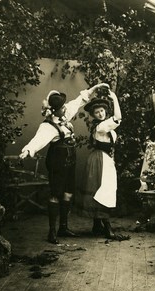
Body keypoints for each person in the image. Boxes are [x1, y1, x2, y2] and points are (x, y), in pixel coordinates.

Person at [19, 83, 109, 244]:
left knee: (68, 193)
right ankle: (52, 231)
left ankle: (63, 227)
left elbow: (78, 101)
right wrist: (27, 151)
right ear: (54, 110)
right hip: (57, 162)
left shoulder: (64, 114)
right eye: (61, 107)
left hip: (70, 161)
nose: (65, 109)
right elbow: (37, 141)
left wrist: (94, 88)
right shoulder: (47, 126)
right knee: (55, 194)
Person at [76, 87, 122, 239]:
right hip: (99, 160)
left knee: (102, 189)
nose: (100, 114)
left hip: (105, 159)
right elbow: (118, 117)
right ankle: (107, 228)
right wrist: (114, 98)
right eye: (97, 112)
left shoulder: (107, 127)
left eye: (102, 111)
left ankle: (97, 225)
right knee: (103, 191)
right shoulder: (101, 127)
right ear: (93, 115)